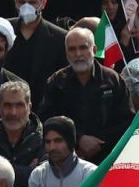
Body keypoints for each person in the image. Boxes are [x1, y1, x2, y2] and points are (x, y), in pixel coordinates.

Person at [39, 26, 132, 164]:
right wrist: (79, 139)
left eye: (83, 48)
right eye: (72, 49)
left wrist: (98, 144)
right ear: (66, 53)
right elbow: (47, 119)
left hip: (108, 160)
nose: (78, 54)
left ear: (94, 50)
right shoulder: (56, 82)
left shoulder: (113, 80)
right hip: (67, 161)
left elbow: (127, 121)